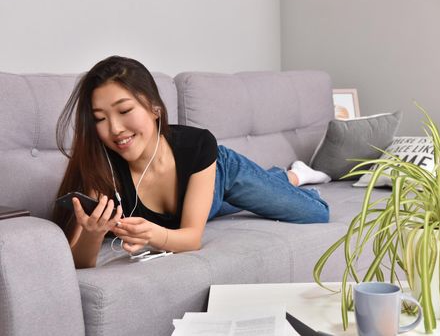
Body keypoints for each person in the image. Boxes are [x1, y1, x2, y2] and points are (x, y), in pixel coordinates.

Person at [53, 56, 330, 268]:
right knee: (216, 203)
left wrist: (152, 234)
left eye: (125, 110)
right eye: (100, 118)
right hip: (200, 202)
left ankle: (294, 176)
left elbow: (191, 239)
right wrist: (93, 234)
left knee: (316, 212)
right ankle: (280, 178)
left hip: (221, 174)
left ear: (154, 108)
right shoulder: (102, 167)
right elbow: (79, 263)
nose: (114, 129)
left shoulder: (197, 147)